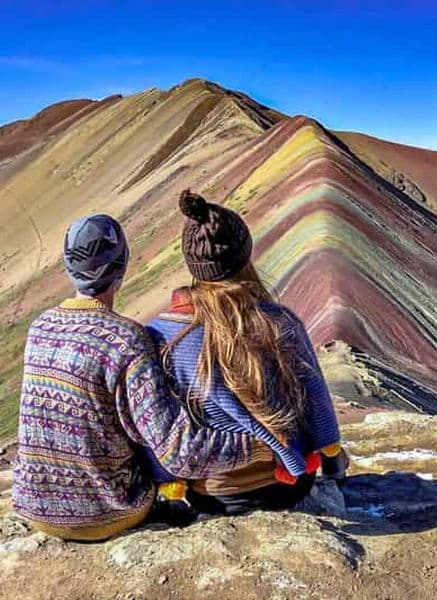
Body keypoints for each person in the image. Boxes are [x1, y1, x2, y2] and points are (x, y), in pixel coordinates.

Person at [12, 214, 257, 541]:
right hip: (107, 514)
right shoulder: (127, 340)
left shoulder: (40, 327)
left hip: (34, 508)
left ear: (69, 267)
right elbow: (177, 450)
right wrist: (256, 446)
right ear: (123, 265)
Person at [146, 191, 346, 515]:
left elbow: (157, 421)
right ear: (245, 255)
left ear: (191, 263)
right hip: (286, 486)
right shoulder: (279, 321)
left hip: (209, 494)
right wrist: (334, 465)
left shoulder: (161, 335)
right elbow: (317, 400)